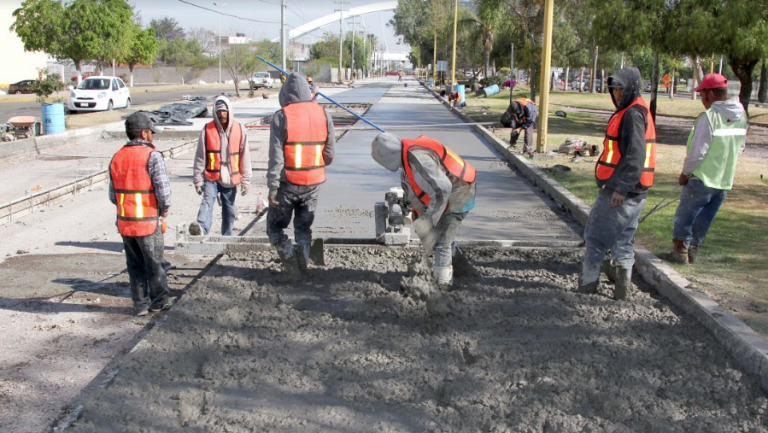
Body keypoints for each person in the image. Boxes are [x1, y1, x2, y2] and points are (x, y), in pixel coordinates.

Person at [578, 67, 657, 300]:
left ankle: (588, 285)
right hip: (637, 191)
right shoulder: (637, 110)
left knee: (594, 236)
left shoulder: (632, 115)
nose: (618, 96)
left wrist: (621, 188)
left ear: (632, 88)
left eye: (622, 90)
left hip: (623, 190)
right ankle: (622, 290)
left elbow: (635, 155)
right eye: (615, 91)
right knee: (623, 239)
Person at [661, 73, 747, 264]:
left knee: (686, 215)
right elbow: (740, 147)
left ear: (709, 94)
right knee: (704, 218)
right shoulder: (741, 116)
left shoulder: (709, 118)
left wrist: (685, 174)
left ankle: (680, 251)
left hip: (701, 178)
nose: (701, 100)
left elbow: (697, 153)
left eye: (701, 95)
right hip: (724, 180)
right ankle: (692, 250)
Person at [371, 133, 476, 287]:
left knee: (442, 242)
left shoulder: (419, 160)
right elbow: (415, 189)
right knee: (439, 238)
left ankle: (443, 286)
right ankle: (461, 268)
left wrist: (429, 219)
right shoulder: (407, 159)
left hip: (459, 193)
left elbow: (443, 189)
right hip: (449, 192)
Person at [267, 73, 335, 280]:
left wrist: (272, 187)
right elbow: (330, 155)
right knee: (303, 227)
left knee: (275, 227)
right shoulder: (323, 114)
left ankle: (291, 265)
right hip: (313, 184)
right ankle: (303, 265)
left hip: (287, 184)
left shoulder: (282, 116)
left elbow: (276, 157)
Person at [109, 112, 174, 316]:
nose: (153, 136)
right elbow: (163, 191)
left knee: (134, 265)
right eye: (151, 132)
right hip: (147, 222)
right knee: (155, 264)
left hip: (125, 223)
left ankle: (140, 305)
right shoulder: (152, 156)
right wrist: (163, 211)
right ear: (145, 133)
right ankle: (159, 302)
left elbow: (113, 195)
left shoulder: (117, 157)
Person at [190, 96, 252, 236]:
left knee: (229, 209)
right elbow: (200, 157)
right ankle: (201, 228)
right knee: (207, 201)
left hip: (230, 178)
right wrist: (198, 180)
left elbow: (245, 157)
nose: (222, 114)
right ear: (215, 113)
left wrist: (245, 181)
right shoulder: (207, 130)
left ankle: (227, 236)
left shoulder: (239, 129)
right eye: (219, 112)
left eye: (224, 111)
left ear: (229, 111)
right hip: (212, 177)